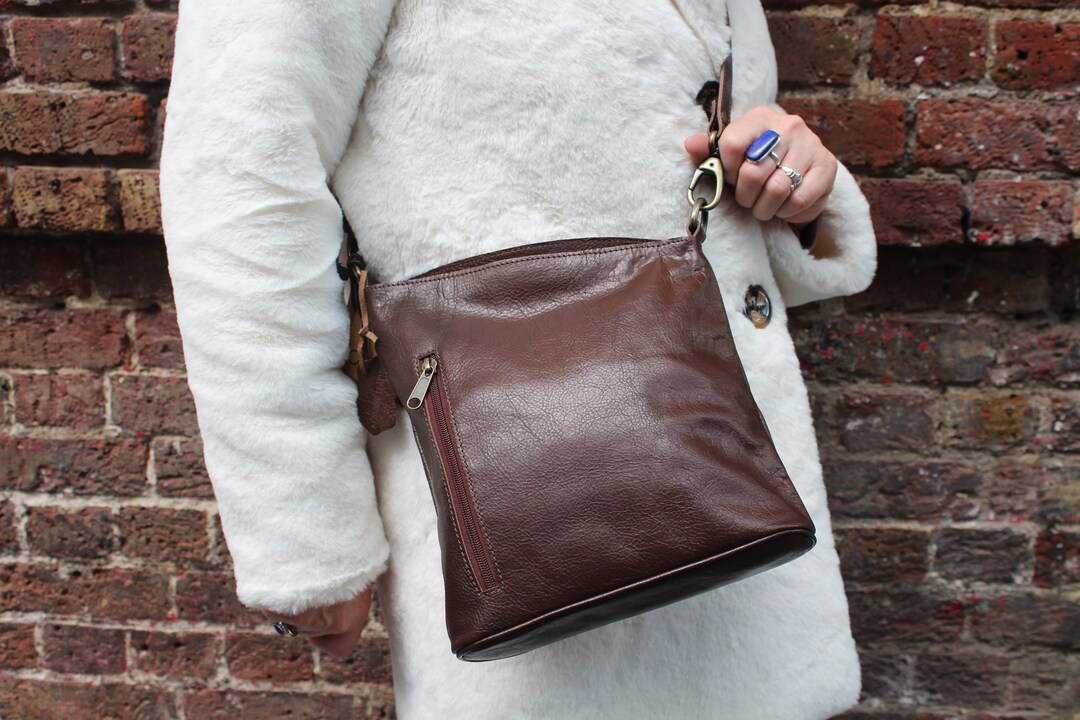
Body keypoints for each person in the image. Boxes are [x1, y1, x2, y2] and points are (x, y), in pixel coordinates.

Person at [159, 0, 877, 717]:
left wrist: (787, 179)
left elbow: (689, 198)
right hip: (528, 538)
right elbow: (239, 189)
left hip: (741, 537)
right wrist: (307, 543)